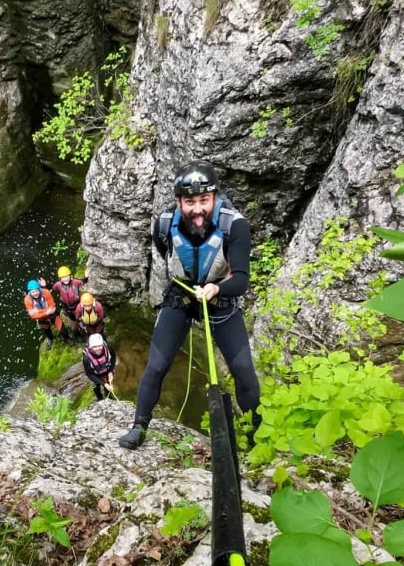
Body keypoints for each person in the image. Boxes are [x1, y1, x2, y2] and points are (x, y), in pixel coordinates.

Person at [118, 161, 261, 449]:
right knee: (156, 365)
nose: (197, 209)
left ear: (215, 198)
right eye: (189, 202)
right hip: (182, 296)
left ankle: (255, 436)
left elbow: (242, 279)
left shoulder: (235, 226)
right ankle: (138, 426)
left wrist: (215, 287)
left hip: (220, 297)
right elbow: (165, 251)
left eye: (204, 201)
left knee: (244, 371)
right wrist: (191, 287)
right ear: (179, 201)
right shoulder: (163, 225)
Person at [51, 265, 85, 336]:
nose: (65, 279)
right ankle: (77, 335)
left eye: (67, 276)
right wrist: (45, 285)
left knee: (82, 321)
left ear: (70, 276)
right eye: (63, 277)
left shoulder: (75, 282)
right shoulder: (58, 285)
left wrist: (87, 277)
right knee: (74, 327)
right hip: (68, 308)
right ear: (60, 278)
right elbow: (51, 288)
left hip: (77, 305)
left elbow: (83, 281)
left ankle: (83, 328)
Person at [82, 332, 117, 400]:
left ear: (102, 344)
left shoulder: (109, 349)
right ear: (90, 347)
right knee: (96, 388)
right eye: (94, 347)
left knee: (108, 387)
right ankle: (100, 398)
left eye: (99, 345)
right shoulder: (86, 359)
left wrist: (110, 371)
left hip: (106, 372)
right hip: (95, 375)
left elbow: (113, 358)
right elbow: (89, 374)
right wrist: (104, 384)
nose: (98, 348)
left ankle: (109, 397)